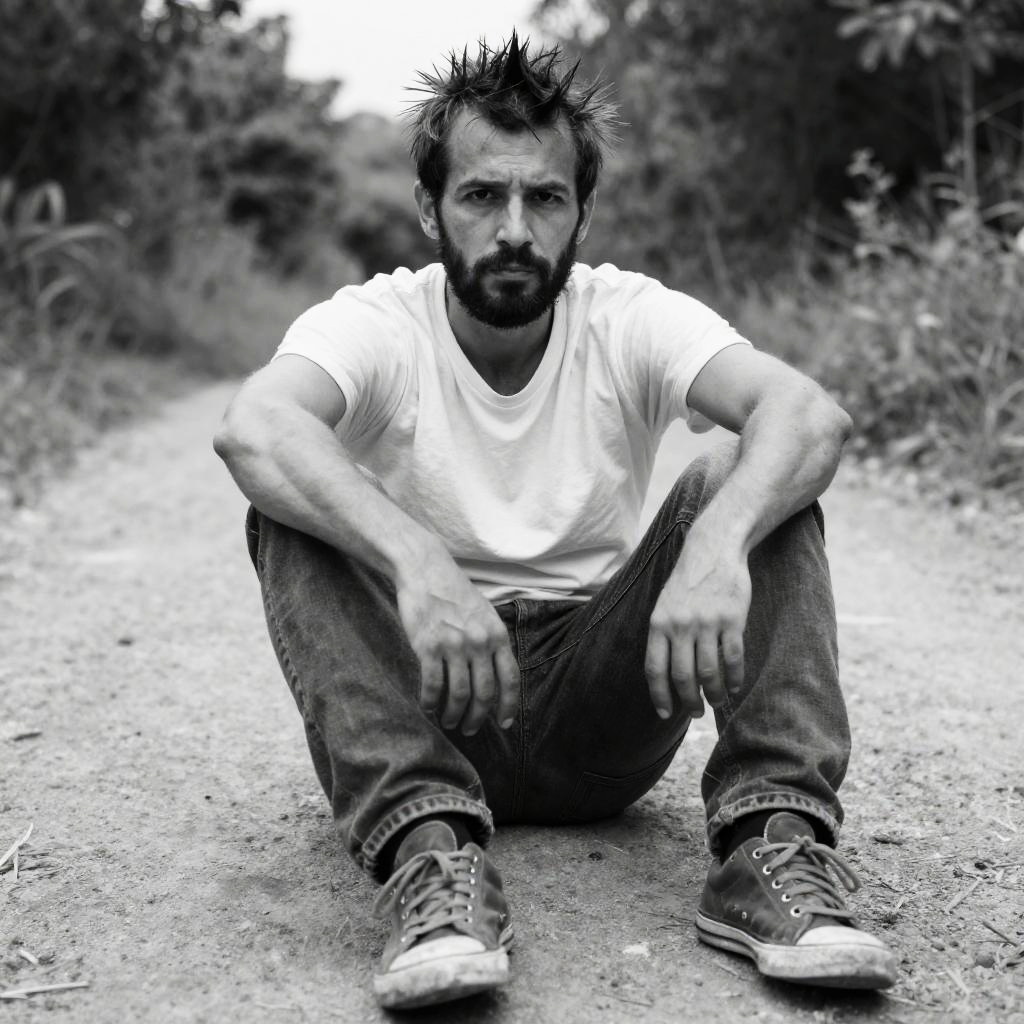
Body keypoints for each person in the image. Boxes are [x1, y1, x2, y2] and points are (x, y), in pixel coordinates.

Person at [214, 34, 898, 1011]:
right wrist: (415, 556)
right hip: (438, 701)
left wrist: (713, 546)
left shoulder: (627, 316)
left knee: (752, 473)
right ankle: (431, 858)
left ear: (579, 210)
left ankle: (771, 850)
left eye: (545, 198)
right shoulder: (376, 322)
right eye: (482, 196)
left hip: (603, 713)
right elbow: (254, 428)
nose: (514, 230)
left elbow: (807, 413)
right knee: (292, 500)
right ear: (428, 207)